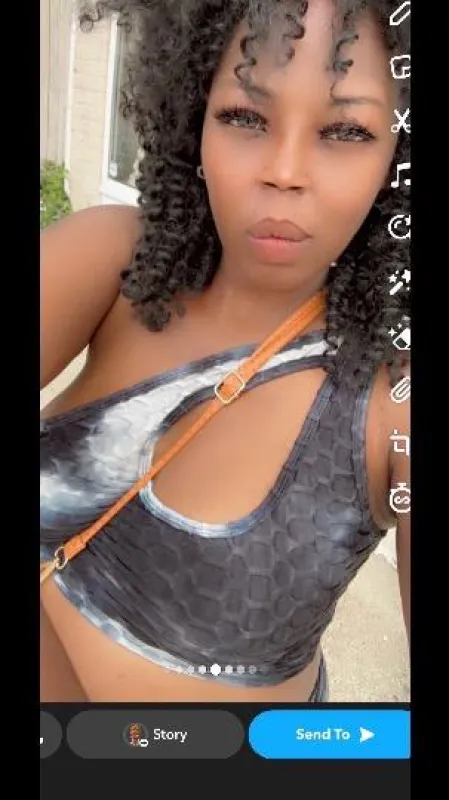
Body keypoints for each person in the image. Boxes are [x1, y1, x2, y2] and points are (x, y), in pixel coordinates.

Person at [40, 0, 410, 703]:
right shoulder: (118, 263)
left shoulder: (394, 400)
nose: (284, 170)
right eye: (244, 116)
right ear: (193, 118)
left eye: (345, 130)